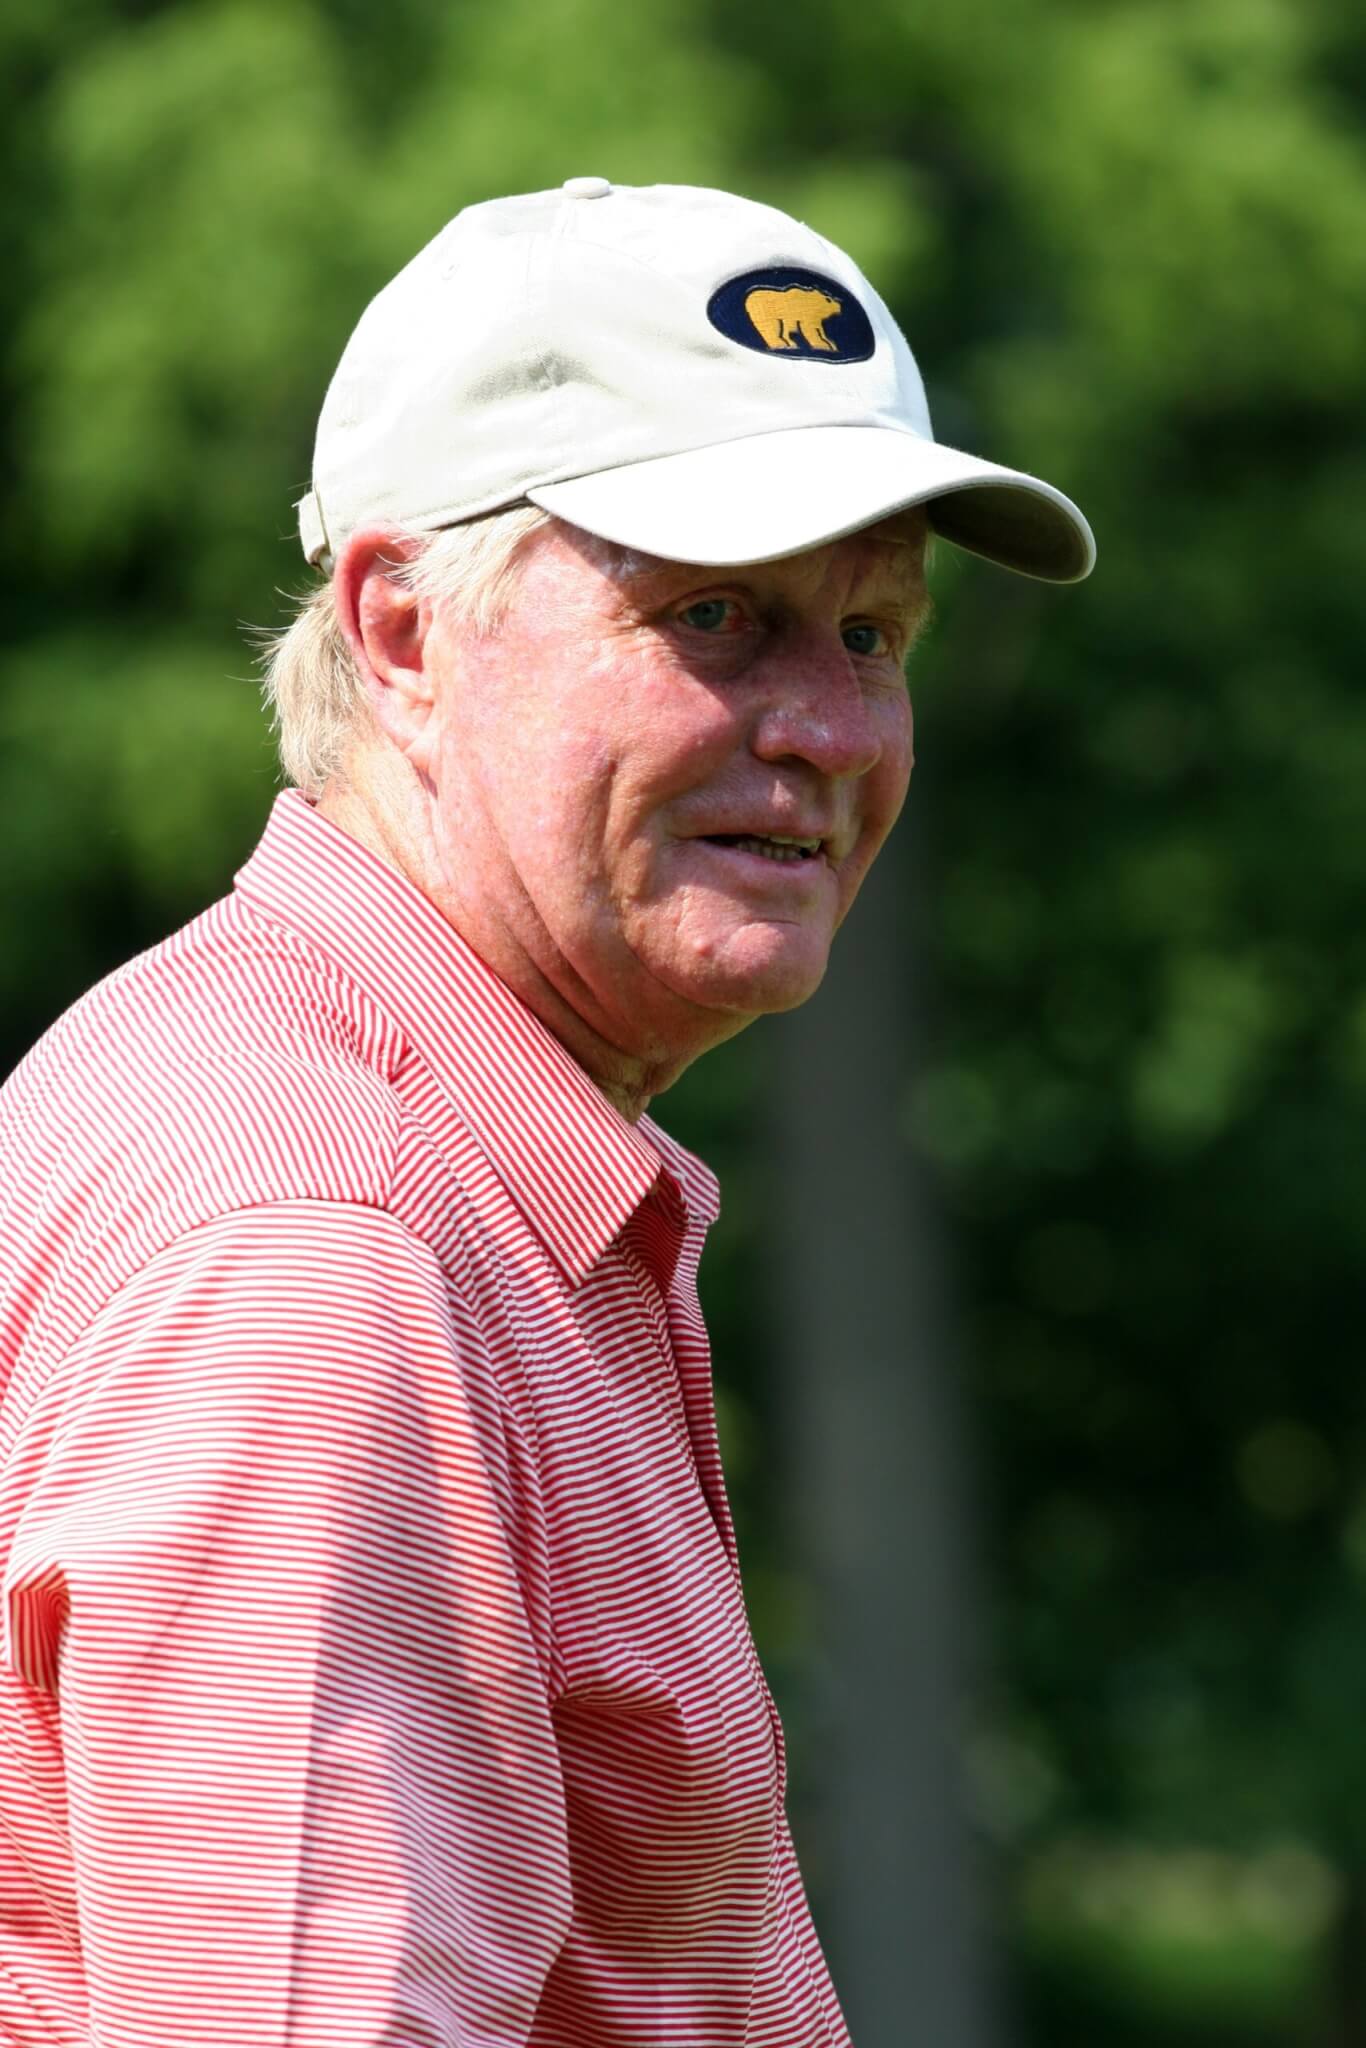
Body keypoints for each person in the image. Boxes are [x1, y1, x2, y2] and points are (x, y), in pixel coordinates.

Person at [0, 179, 1094, 2045]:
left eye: (871, 637)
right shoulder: (323, 1250)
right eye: (720, 618)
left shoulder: (416, 1144)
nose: (828, 729)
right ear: (404, 629)